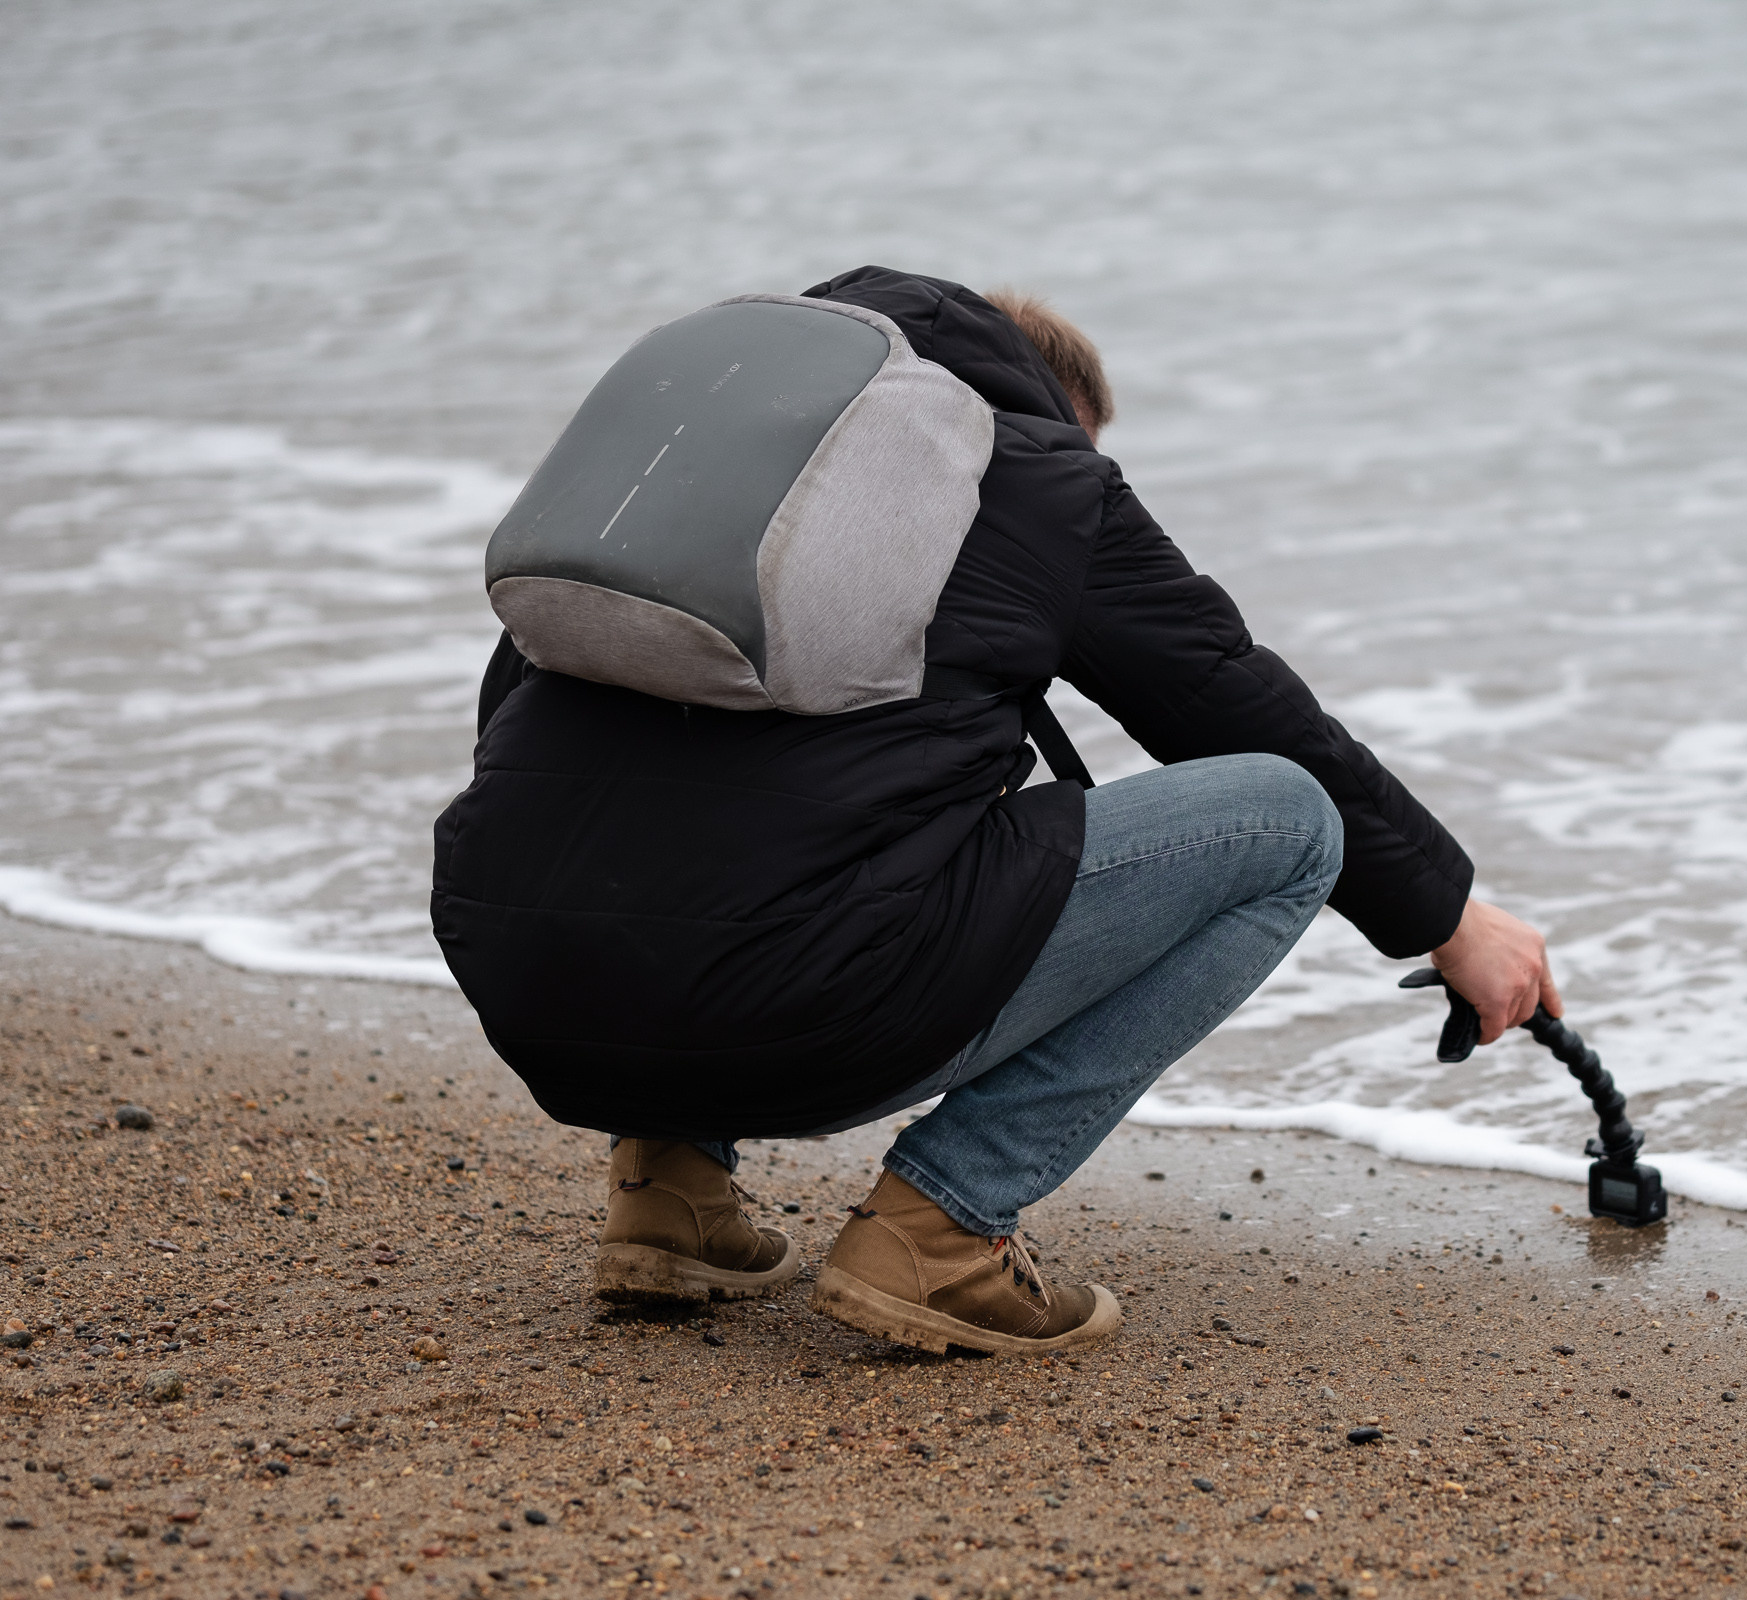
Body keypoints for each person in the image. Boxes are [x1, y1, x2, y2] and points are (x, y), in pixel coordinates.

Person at [431, 267, 1557, 1355]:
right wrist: (1450, 915)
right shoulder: (1035, 471)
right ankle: (943, 1227)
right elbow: (1238, 704)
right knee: (1288, 821)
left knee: (702, 803)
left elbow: (512, 730)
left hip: (541, 1000)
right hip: (802, 1017)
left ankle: (666, 1190)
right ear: (1059, 409)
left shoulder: (688, 466)